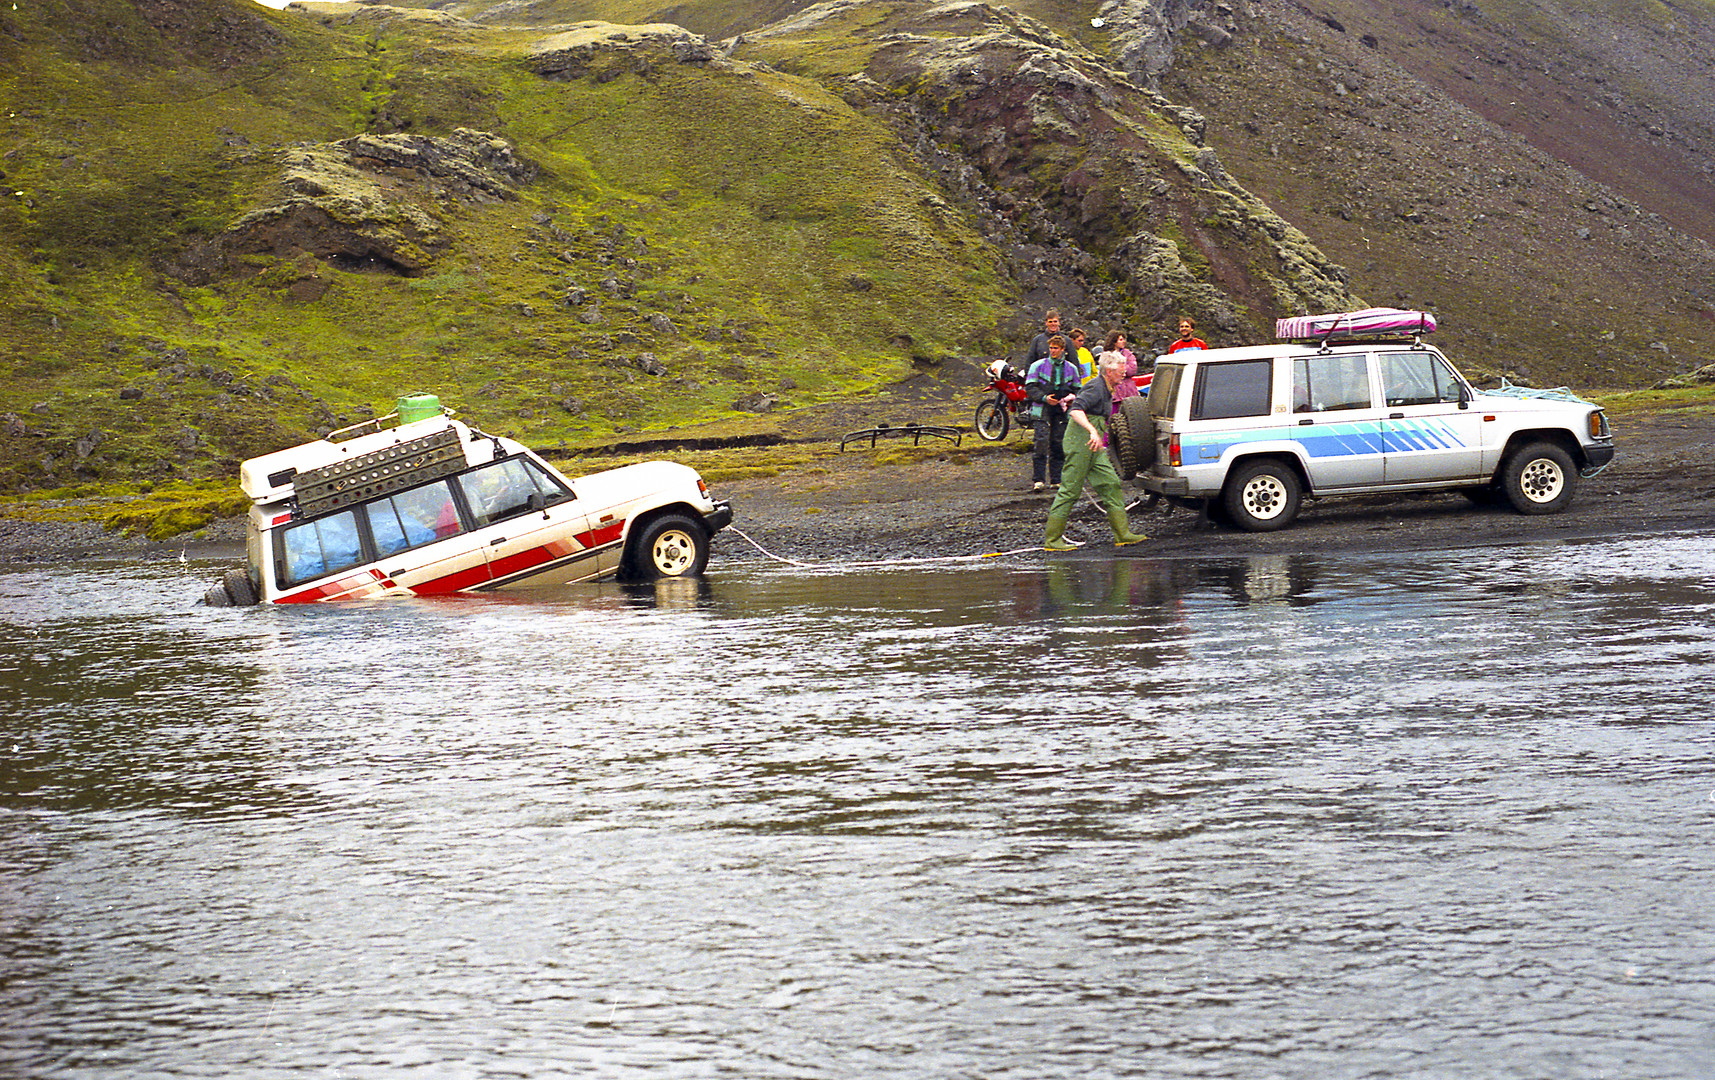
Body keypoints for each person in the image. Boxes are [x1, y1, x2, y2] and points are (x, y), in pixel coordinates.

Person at [1043, 352, 1148, 551]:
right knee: (1070, 490)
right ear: (1109, 372)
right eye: (1120, 370)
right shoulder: (1096, 386)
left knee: (1110, 483)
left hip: (1094, 444)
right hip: (1081, 441)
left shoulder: (1108, 388)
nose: (1124, 373)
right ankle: (1052, 540)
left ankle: (1122, 535)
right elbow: (1075, 411)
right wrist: (1092, 430)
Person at [1025, 334, 1082, 493]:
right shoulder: (1037, 366)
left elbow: (1078, 389)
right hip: (1041, 407)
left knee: (1058, 443)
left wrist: (1071, 399)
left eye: (1055, 348)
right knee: (1041, 442)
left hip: (1061, 409)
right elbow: (1029, 387)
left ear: (1063, 350)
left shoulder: (1072, 368)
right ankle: (1038, 480)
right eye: (1050, 348)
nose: (1052, 351)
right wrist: (1044, 398)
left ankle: (1056, 480)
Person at [1104, 329, 1141, 404]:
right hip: (1114, 391)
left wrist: (1117, 369)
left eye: (1124, 339)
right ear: (1114, 341)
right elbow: (1105, 371)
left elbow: (1132, 369)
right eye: (1121, 339)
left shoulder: (1128, 353)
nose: (1124, 341)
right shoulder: (1106, 355)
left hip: (1128, 390)